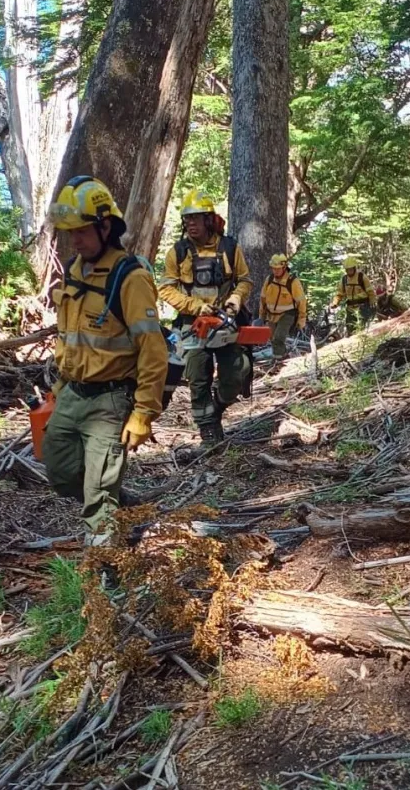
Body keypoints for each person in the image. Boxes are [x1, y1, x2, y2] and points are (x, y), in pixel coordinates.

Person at [43, 176, 168, 546]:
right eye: (70, 233)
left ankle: (103, 578)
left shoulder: (130, 278)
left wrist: (143, 412)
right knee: (60, 472)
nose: (75, 241)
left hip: (110, 401)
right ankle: (117, 505)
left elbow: (153, 348)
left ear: (105, 226)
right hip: (71, 393)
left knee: (97, 493)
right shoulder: (76, 269)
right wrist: (60, 387)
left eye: (81, 232)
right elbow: (69, 335)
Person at [158, 189, 253, 446]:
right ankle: (208, 429)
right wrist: (193, 305)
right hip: (192, 325)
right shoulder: (177, 253)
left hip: (225, 322)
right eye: (187, 219)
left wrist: (235, 300)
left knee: (237, 371)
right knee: (198, 378)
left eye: (196, 218)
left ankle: (219, 404)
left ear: (209, 220)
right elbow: (165, 288)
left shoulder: (230, 248)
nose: (190, 223)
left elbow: (244, 280)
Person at [259, 254, 307, 361]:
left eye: (278, 269)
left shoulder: (292, 282)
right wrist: (261, 315)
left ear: (284, 267)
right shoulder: (270, 279)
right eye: (273, 268)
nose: (275, 271)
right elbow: (263, 298)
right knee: (271, 338)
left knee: (279, 338)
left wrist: (301, 319)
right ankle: (283, 355)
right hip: (271, 314)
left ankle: (278, 361)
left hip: (287, 314)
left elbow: (301, 301)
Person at [330, 256, 376, 335]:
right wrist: (335, 303)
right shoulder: (344, 280)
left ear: (354, 268)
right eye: (347, 270)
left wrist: (372, 302)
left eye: (350, 269)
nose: (349, 271)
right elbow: (339, 294)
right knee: (350, 329)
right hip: (350, 309)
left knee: (363, 328)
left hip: (363, 307)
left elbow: (370, 291)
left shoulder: (362, 277)